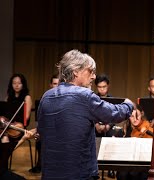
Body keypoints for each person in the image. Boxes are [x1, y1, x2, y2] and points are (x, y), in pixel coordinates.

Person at [37, 49, 134, 180]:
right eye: (90, 71)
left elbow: (41, 131)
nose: (94, 76)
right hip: (79, 173)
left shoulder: (46, 97)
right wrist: (128, 104)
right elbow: (114, 114)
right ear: (76, 71)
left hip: (50, 173)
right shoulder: (84, 95)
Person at [0, 73, 34, 179]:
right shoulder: (8, 97)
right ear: (11, 85)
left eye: (19, 83)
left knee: (4, 138)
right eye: (14, 83)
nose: (17, 85)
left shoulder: (27, 98)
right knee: (4, 136)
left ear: (23, 84)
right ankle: (2, 167)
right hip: (7, 127)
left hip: (18, 128)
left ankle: (2, 169)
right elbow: (4, 115)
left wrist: (11, 124)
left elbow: (26, 117)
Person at [29, 74, 60, 173]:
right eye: (55, 84)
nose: (56, 86)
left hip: (61, 128)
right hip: (49, 127)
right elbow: (41, 118)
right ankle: (40, 164)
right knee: (39, 137)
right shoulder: (45, 98)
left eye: (59, 84)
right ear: (50, 85)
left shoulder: (66, 98)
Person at [116, 105, 152, 180]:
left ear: (141, 114)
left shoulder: (147, 128)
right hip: (128, 161)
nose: (135, 119)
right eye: (132, 116)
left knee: (135, 173)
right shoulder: (126, 129)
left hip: (142, 161)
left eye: (137, 116)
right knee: (122, 173)